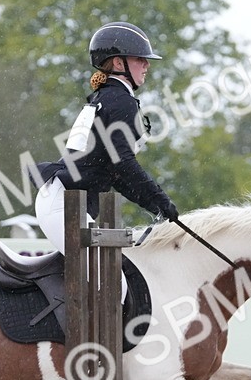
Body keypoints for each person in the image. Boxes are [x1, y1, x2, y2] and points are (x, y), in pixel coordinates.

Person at [31, 21, 179, 257]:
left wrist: (155, 207)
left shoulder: (108, 97)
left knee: (113, 271)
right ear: (119, 63)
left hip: (62, 201)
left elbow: (117, 174)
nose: (147, 64)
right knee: (110, 280)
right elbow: (124, 164)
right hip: (64, 205)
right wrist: (160, 200)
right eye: (140, 58)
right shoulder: (120, 101)